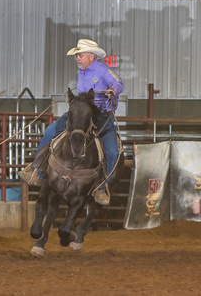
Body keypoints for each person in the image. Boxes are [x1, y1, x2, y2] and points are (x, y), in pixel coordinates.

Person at [19, 39, 124, 205]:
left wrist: (113, 90)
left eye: (80, 55)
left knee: (112, 152)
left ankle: (102, 187)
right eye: (77, 56)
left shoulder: (102, 69)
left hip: (102, 116)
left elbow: (118, 82)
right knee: (50, 131)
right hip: (80, 114)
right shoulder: (82, 71)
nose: (77, 59)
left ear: (91, 56)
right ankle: (36, 169)